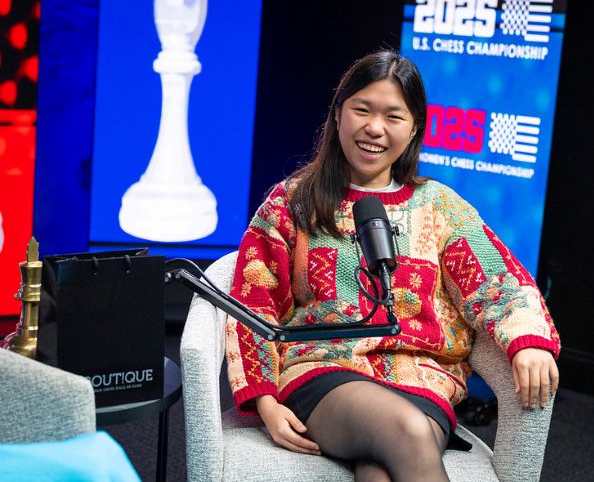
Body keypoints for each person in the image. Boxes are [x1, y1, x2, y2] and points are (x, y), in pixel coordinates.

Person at [225, 50, 560, 482]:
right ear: (338, 113)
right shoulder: (293, 202)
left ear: (414, 126)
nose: (375, 128)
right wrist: (266, 401)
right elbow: (252, 302)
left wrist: (528, 342)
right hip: (325, 371)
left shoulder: (440, 206)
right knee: (408, 431)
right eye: (362, 110)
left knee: (380, 472)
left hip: (421, 379)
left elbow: (500, 282)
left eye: (393, 116)